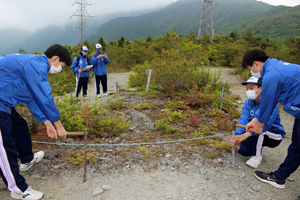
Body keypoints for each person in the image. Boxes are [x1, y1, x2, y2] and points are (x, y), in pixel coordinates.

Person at [0, 44, 72, 199]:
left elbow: (31, 98)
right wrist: (58, 125)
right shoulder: (36, 65)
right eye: (62, 65)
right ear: (55, 59)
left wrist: (47, 122)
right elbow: (45, 97)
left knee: (19, 126)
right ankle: (19, 189)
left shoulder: (32, 63)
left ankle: (27, 159)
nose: (60, 69)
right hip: (1, 103)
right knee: (5, 147)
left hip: (4, 101)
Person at [242, 49, 300, 189]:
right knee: (297, 145)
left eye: (251, 69)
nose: (252, 72)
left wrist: (260, 124)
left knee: (298, 146)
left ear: (256, 64)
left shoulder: (272, 75)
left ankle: (280, 177)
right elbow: (269, 100)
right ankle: (280, 177)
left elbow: (268, 102)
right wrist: (255, 120)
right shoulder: (275, 67)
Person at [230, 77, 286, 168]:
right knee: (243, 151)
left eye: (251, 88)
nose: (249, 91)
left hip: (273, 134)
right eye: (247, 89)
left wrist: (244, 135)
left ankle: (257, 156)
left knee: (261, 130)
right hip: (255, 132)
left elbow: (266, 125)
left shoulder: (271, 103)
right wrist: (238, 136)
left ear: (261, 88)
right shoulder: (248, 102)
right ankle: (257, 146)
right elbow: (244, 120)